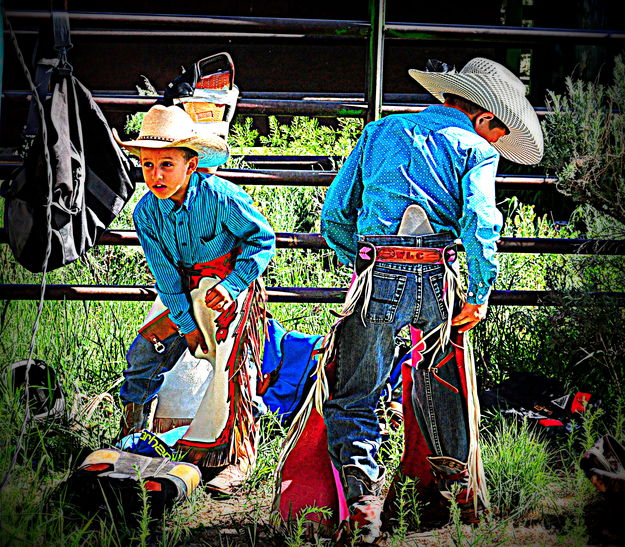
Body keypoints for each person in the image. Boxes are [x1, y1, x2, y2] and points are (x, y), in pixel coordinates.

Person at [320, 57, 544, 543]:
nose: (495, 144)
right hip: (439, 275)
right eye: (497, 135)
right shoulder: (475, 149)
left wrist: (361, 265)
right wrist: (480, 293)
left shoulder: (380, 132)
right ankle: (457, 496)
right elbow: (482, 223)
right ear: (484, 118)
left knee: (357, 391)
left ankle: (363, 505)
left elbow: (335, 214)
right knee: (442, 384)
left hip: (376, 271)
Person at [113, 104, 276, 494]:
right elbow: (165, 274)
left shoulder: (222, 198)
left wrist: (235, 284)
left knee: (233, 373)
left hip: (227, 290)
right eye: (148, 165)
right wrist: (185, 324)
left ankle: (237, 458)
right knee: (146, 352)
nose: (156, 175)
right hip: (183, 292)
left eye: (167, 164)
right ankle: (130, 438)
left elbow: (261, 239)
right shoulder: (147, 212)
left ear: (191, 164)